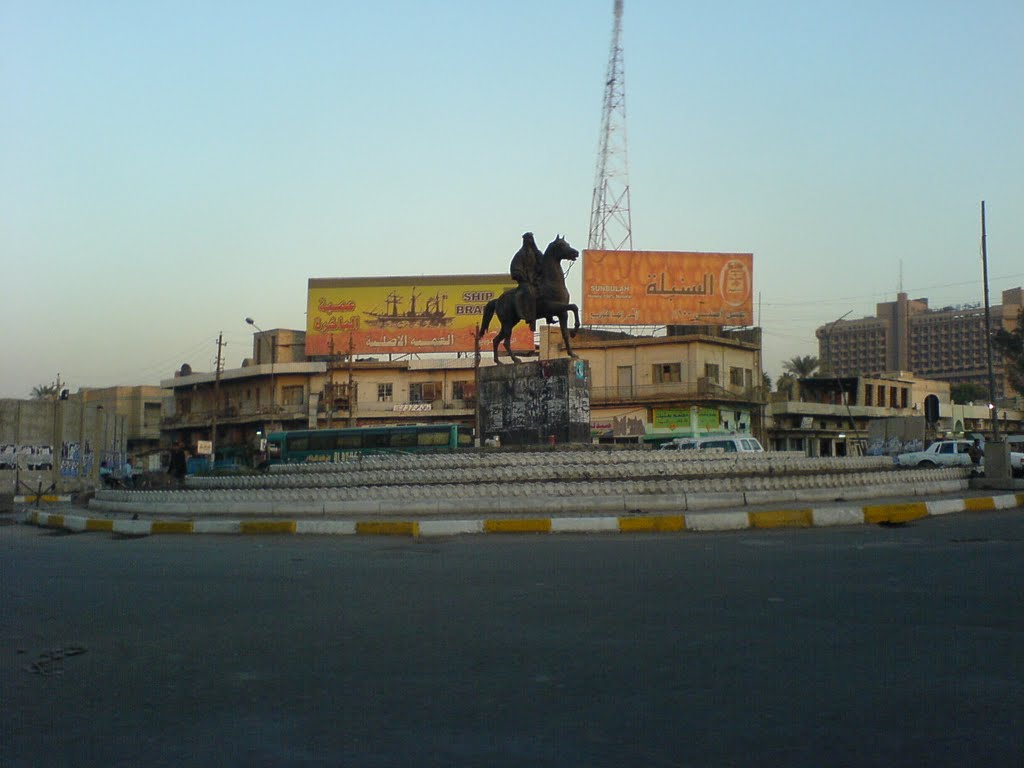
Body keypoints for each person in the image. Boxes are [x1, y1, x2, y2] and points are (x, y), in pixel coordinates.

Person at [509, 231, 543, 331]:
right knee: (530, 293)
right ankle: (531, 318)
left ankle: (549, 316)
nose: (530, 241)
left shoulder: (537, 253)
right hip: (525, 282)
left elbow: (543, 263)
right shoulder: (520, 255)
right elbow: (515, 268)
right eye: (528, 239)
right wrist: (521, 276)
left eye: (531, 239)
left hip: (536, 280)